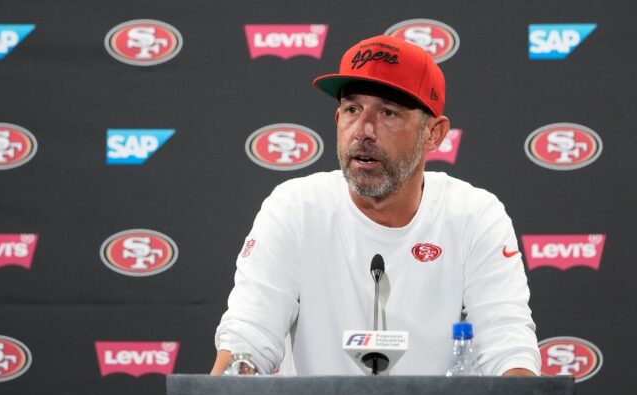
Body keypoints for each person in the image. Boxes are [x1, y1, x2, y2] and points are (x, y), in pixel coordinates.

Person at [211, 34, 541, 376]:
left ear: (434, 134)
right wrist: (233, 382)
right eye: (353, 109)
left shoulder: (474, 215)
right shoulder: (295, 208)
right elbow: (247, 337)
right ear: (338, 118)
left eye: (388, 113)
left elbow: (506, 345)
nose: (364, 131)